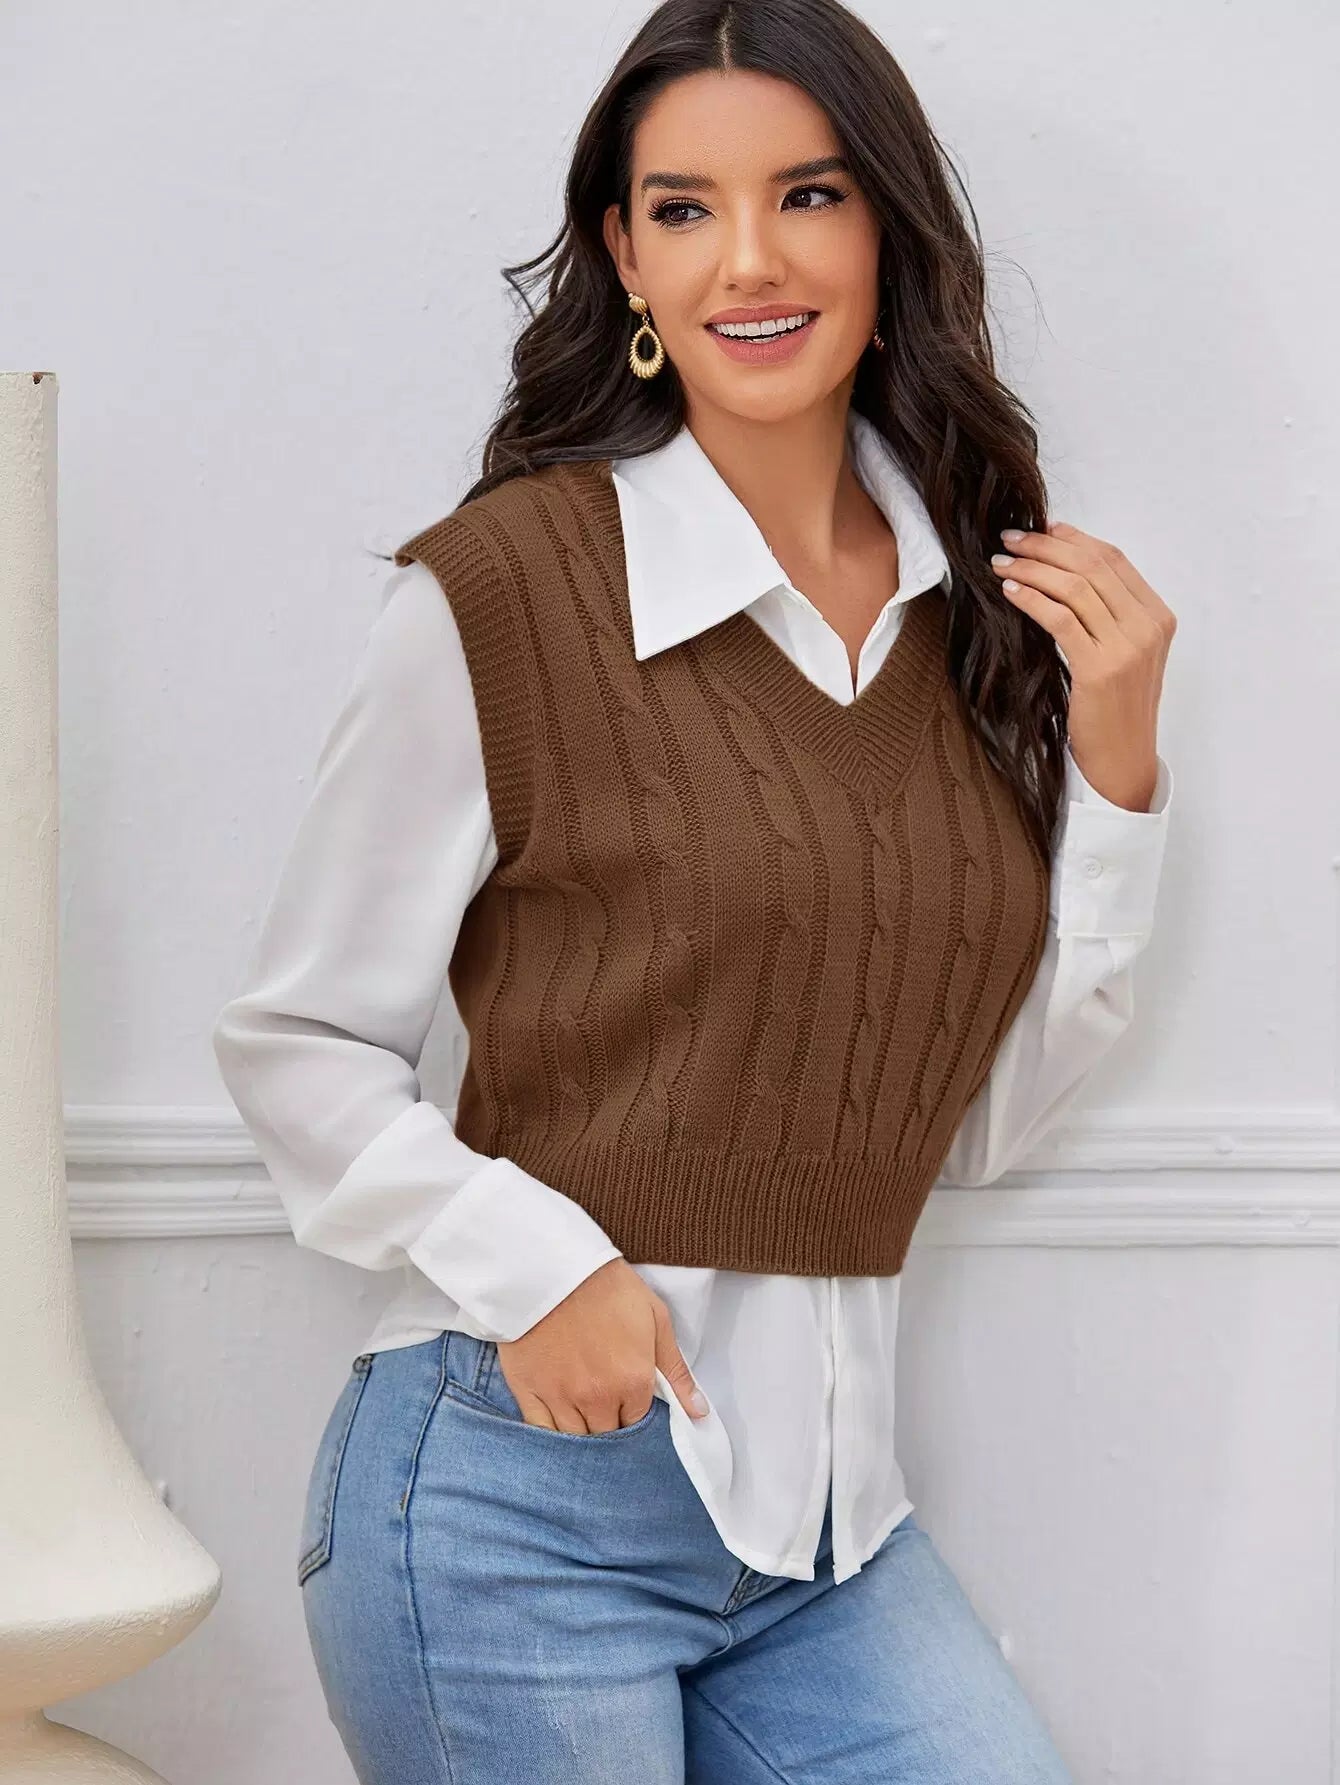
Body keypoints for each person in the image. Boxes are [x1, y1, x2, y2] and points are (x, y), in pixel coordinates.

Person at [213, 1, 1176, 1777]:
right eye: (683, 208)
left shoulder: (975, 619)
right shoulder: (502, 593)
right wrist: (541, 1266)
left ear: (887, 229)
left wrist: (1114, 771)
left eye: (807, 194)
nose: (749, 259)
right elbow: (299, 1042)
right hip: (512, 1503)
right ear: (624, 257)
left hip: (830, 1539)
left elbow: (967, 1128)